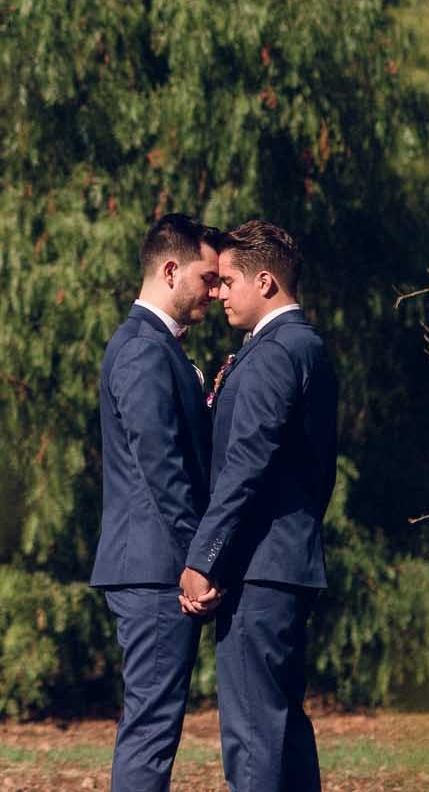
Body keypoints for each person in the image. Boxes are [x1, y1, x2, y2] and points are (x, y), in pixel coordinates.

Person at [178, 219, 337, 792]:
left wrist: (205, 557)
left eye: (227, 282)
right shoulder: (306, 347)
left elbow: (247, 465)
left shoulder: (276, 352)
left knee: (253, 737)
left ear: (264, 282)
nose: (217, 293)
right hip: (286, 564)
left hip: (259, 569)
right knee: (282, 727)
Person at [91, 213, 224, 791]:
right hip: (153, 569)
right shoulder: (144, 350)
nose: (215, 291)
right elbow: (163, 468)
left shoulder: (152, 348)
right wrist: (201, 560)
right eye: (207, 277)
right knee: (151, 727)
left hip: (151, 563)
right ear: (170, 270)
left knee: (155, 722)